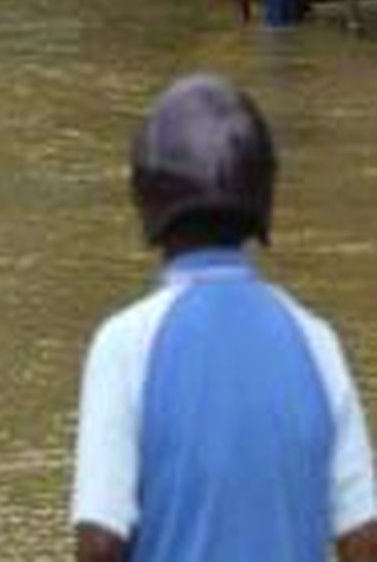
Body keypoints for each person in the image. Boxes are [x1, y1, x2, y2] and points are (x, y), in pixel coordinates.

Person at [71, 73, 377, 562]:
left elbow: (101, 543)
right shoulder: (316, 340)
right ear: (263, 194)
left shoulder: (126, 343)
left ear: (146, 195)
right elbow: (363, 538)